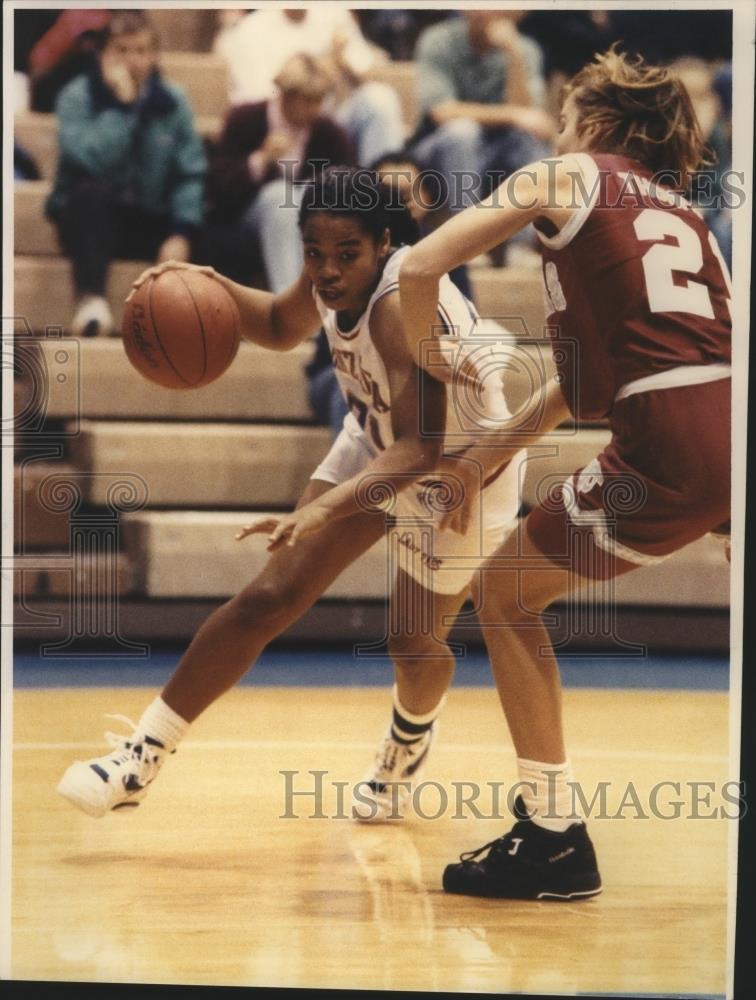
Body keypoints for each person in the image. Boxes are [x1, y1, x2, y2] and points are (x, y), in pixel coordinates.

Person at [56, 167, 527, 826]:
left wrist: (323, 507)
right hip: (380, 436)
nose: (326, 272)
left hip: (466, 466)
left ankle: (409, 734)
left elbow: (422, 448)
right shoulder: (332, 275)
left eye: (344, 256)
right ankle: (140, 757)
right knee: (270, 595)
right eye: (313, 254)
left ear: (386, 244)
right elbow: (279, 324)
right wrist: (193, 284)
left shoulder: (398, 306)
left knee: (412, 643)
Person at [398, 46, 731, 899]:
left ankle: (551, 834)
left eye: (566, 116)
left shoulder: (565, 174)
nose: (554, 131)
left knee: (504, 594)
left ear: (595, 123)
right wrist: (480, 461)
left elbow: (419, 264)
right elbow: (574, 392)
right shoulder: (686, 217)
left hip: (670, 437)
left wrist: (430, 359)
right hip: (732, 427)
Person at [44, 10, 206, 338]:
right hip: (89, 219)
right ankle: (91, 302)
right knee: (90, 194)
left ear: (154, 56)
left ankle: (208, 323)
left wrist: (181, 232)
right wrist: (122, 109)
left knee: (228, 239)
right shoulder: (77, 96)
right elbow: (92, 160)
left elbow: (190, 173)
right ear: (103, 54)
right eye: (122, 50)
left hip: (149, 217)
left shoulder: (173, 102)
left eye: (141, 51)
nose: (133, 61)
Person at [409, 10, 554, 264]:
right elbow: (443, 111)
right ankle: (466, 242)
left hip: (497, 154)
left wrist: (514, 55)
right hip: (438, 153)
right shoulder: (437, 39)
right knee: (463, 132)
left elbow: (530, 118)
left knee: (528, 138)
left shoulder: (526, 50)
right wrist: (514, 115)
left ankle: (520, 245)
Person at [203, 53, 354, 292]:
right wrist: (260, 160)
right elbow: (218, 188)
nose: (315, 109)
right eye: (308, 100)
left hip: (309, 223)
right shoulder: (246, 118)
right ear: (286, 95)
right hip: (248, 217)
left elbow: (348, 185)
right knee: (280, 196)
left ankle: (318, 304)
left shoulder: (328, 132)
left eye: (319, 100)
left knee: (307, 195)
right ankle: (289, 299)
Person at [213, 8, 405, 167]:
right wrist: (301, 86)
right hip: (283, 126)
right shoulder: (252, 28)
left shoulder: (336, 16)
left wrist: (341, 61)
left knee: (380, 97)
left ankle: (384, 192)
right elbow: (256, 100)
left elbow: (369, 79)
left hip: (333, 120)